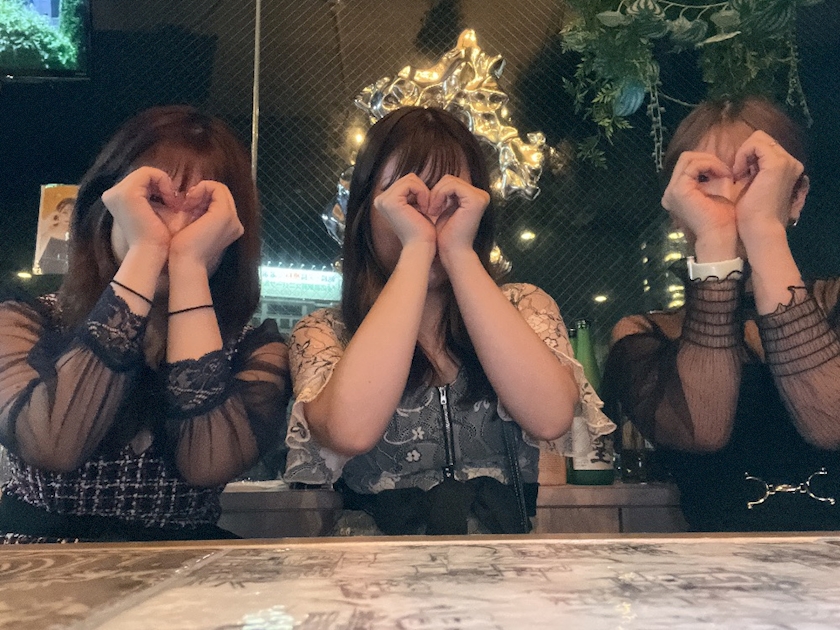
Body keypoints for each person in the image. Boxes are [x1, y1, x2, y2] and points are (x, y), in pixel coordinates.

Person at [283, 106, 612, 535]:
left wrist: (459, 253)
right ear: (366, 211)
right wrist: (416, 250)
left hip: (505, 562)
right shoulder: (325, 331)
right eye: (407, 201)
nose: (429, 217)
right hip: (372, 567)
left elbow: (550, 417)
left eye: (450, 200)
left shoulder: (524, 305)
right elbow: (350, 432)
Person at [0, 105, 290, 542]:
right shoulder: (27, 320)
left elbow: (205, 465)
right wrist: (146, 252)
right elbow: (54, 443)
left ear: (230, 233)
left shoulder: (253, 349)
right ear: (109, 207)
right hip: (36, 569)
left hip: (181, 575)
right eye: (154, 201)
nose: (175, 229)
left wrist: (189, 265)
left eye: (201, 213)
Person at [602, 97, 840, 531]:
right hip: (721, 568)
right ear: (677, 208)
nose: (730, 195)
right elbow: (703, 432)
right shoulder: (646, 335)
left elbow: (832, 423)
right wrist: (715, 237)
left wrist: (764, 230)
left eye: (753, 174)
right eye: (706, 178)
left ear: (796, 196)